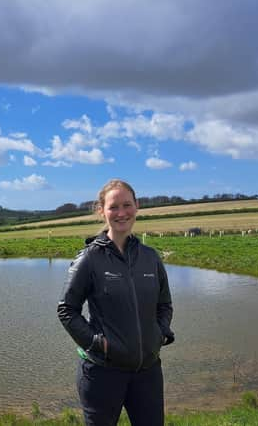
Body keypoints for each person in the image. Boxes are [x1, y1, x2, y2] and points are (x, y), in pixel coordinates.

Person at [57, 179, 174, 426]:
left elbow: (164, 304)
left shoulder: (150, 257)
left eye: (127, 205)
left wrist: (159, 332)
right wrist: (97, 343)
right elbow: (67, 310)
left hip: (148, 372)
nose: (121, 213)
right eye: (113, 207)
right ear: (102, 211)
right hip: (102, 373)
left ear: (137, 206)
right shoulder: (89, 259)